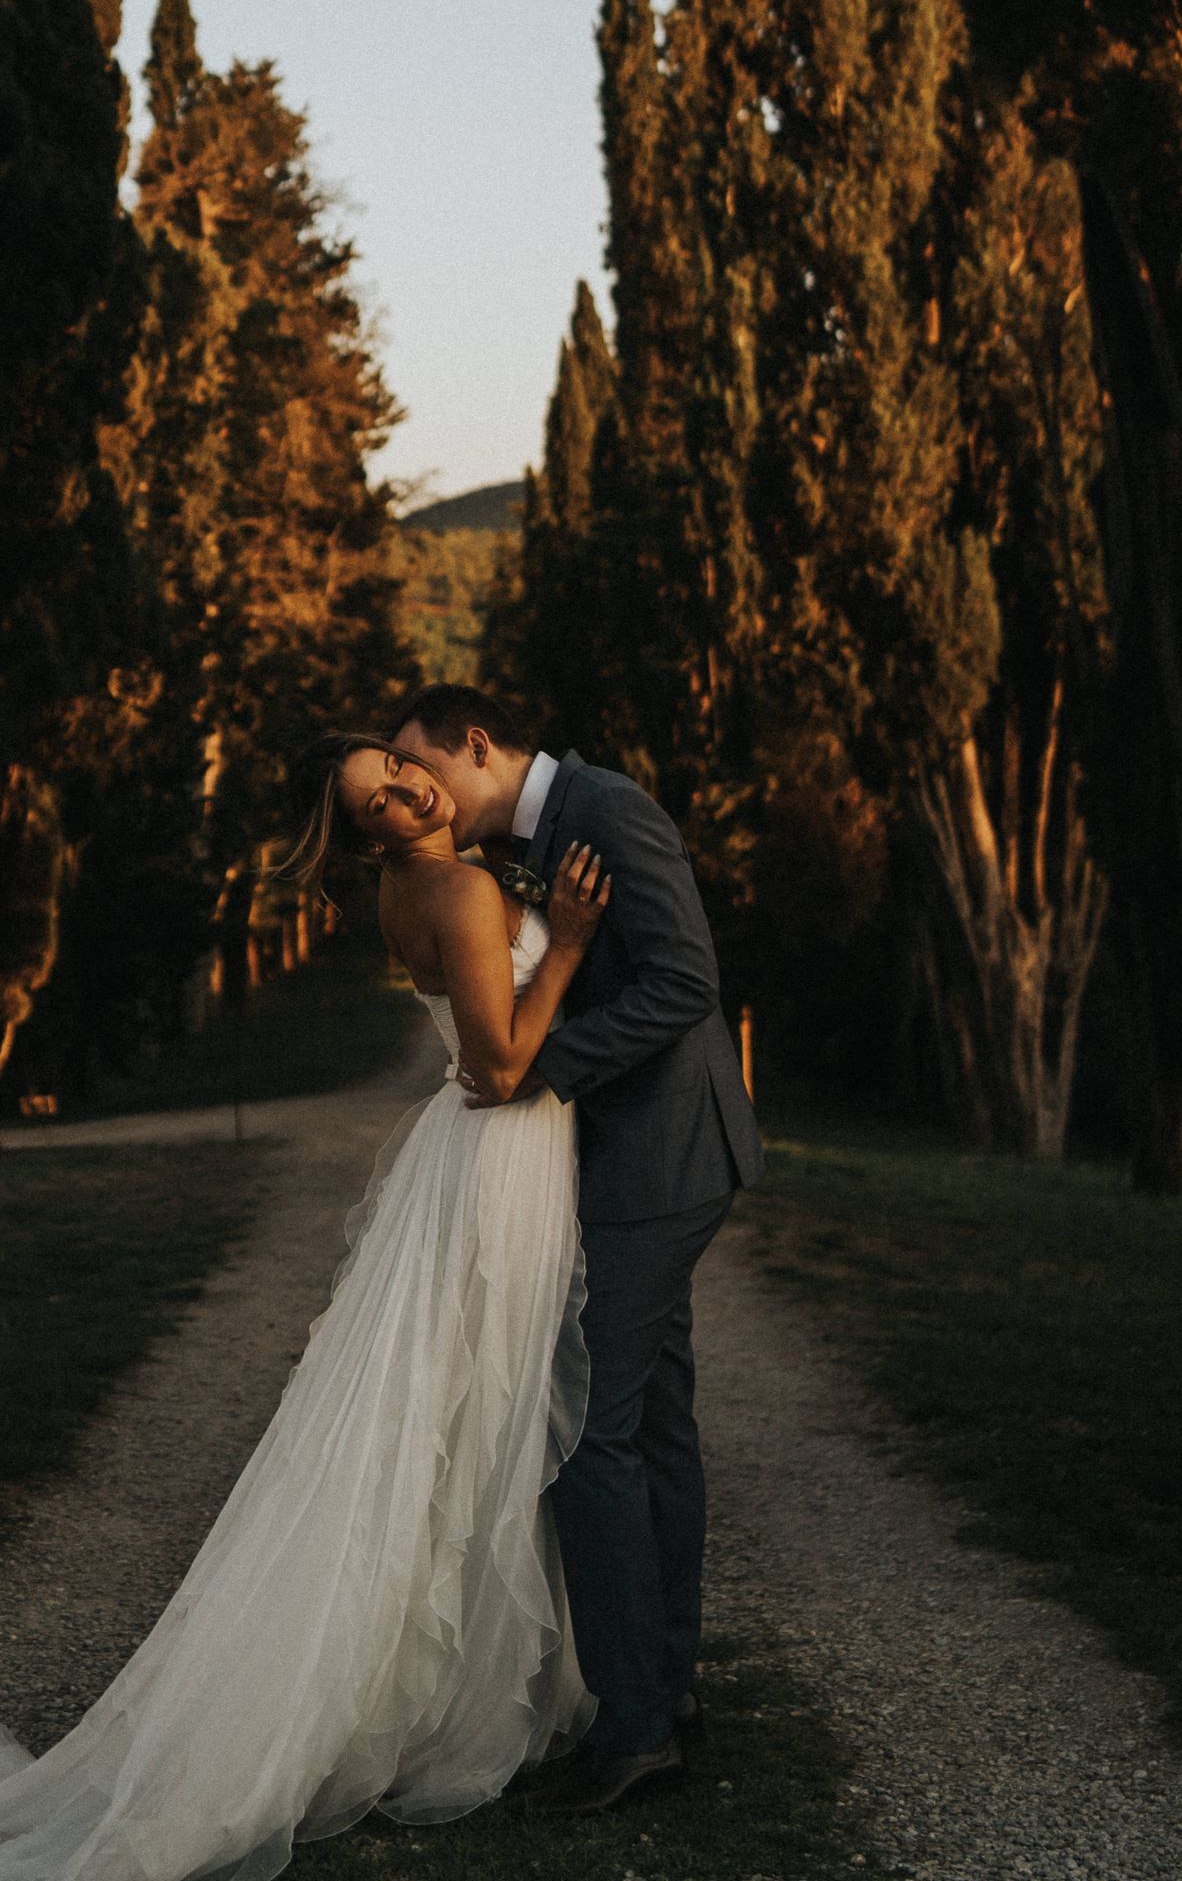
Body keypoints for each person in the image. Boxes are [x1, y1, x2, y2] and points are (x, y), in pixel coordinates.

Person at [0, 735, 610, 1881]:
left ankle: (411, 1692)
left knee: (448, 1427)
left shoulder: (405, 888)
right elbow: (501, 1069)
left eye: (402, 767)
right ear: (366, 831)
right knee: (461, 1423)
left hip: (478, 1167)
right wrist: (561, 945)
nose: (409, 789)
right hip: (496, 1155)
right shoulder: (456, 887)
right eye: (379, 797)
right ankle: (387, 1705)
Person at [389, 682, 764, 1817]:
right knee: (651, 1419)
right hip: (622, 1157)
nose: (416, 791)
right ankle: (667, 1683)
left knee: (589, 1431)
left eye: (421, 767)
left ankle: (636, 1729)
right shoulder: (531, 839)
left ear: (480, 744)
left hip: (657, 1157)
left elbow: (688, 981)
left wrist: (541, 1069)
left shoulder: (603, 810)